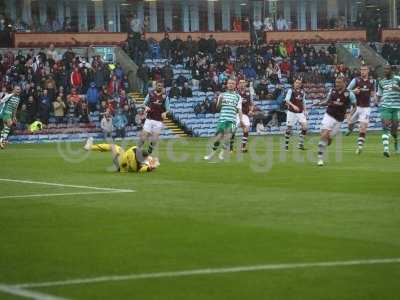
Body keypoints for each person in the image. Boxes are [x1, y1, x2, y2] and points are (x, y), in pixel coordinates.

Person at [315, 77, 356, 166]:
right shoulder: (332, 91)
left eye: (339, 82)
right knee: (324, 134)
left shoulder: (350, 94)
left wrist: (350, 114)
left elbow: (354, 106)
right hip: (329, 115)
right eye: (336, 82)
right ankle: (320, 159)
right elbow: (327, 101)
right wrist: (319, 103)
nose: (337, 84)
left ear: (344, 83)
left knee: (328, 139)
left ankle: (329, 139)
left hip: (339, 120)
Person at [204, 79, 244, 161]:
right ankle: (212, 153)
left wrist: (241, 120)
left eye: (233, 83)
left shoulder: (238, 97)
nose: (231, 85)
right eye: (229, 83)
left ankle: (222, 153)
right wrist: (220, 101)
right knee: (219, 137)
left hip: (232, 120)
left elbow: (239, 109)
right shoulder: (222, 95)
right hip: (222, 119)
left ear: (235, 85)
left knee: (228, 137)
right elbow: (218, 108)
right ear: (227, 84)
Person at [346, 66, 376, 154]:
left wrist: (374, 98)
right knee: (350, 124)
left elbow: (373, 93)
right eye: (361, 70)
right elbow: (346, 90)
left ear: (368, 71)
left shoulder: (372, 81)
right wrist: (353, 91)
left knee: (363, 127)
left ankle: (359, 147)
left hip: (366, 108)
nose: (363, 71)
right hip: (356, 107)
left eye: (364, 70)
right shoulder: (356, 80)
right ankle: (351, 129)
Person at [84, 137, 159, 173]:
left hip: (120, 162)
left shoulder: (134, 150)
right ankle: (90, 147)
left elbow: (134, 149)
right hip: (121, 166)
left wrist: (150, 165)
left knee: (112, 147)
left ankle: (90, 147)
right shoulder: (138, 165)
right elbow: (142, 168)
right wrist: (150, 167)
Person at [139, 81, 169, 154]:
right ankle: (138, 150)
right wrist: (146, 107)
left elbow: (168, 109)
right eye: (158, 85)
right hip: (149, 118)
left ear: (162, 87)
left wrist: (165, 113)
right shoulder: (150, 94)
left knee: (155, 138)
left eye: (161, 86)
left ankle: (150, 151)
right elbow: (143, 104)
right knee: (144, 136)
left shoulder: (165, 97)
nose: (160, 87)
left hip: (158, 120)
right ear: (155, 86)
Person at [377, 65, 400, 157]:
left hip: (397, 107)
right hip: (386, 107)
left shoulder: (398, 79)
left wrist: (398, 89)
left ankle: (396, 140)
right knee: (385, 126)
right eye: (384, 69)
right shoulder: (381, 82)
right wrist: (377, 100)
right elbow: (379, 94)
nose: (385, 71)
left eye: (387, 69)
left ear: (391, 71)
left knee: (394, 131)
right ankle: (386, 150)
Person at [284, 78, 308, 151]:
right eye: (296, 83)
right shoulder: (290, 90)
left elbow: (303, 102)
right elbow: (287, 100)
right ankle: (286, 145)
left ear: (301, 84)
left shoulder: (302, 92)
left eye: (299, 83)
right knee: (289, 128)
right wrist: (293, 106)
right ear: (294, 83)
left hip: (300, 112)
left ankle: (300, 145)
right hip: (291, 112)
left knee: (305, 127)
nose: (298, 84)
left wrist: (305, 110)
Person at [230, 79, 253, 153]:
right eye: (240, 83)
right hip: (236, 114)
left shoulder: (249, 93)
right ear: (238, 84)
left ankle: (243, 148)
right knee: (233, 131)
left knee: (246, 129)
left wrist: (251, 110)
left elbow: (252, 104)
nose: (242, 84)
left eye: (243, 82)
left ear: (245, 84)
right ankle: (231, 148)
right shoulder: (235, 93)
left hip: (245, 114)